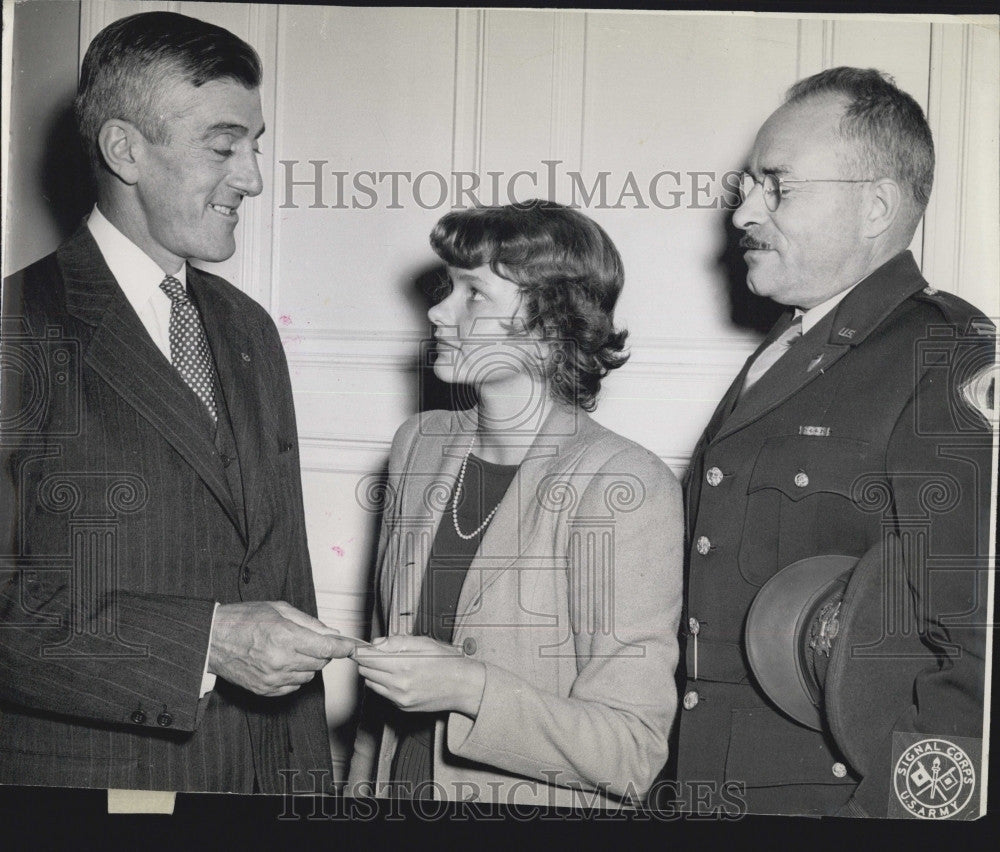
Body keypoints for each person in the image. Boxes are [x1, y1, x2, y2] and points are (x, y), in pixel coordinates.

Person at [0, 12, 355, 793]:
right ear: (125, 149)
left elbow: (283, 574)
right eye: (223, 147)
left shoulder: (248, 328)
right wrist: (204, 643)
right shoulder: (14, 326)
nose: (253, 177)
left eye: (254, 146)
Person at [676, 67, 995, 817]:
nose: (744, 212)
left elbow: (979, 656)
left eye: (777, 186)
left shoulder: (945, 358)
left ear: (875, 205)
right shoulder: (787, 352)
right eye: (748, 185)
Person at [346, 201, 683, 806]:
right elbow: (381, 687)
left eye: (473, 294)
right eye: (448, 286)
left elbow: (631, 752)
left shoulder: (625, 486)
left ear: (551, 324)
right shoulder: (418, 444)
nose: (437, 310)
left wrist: (471, 688)